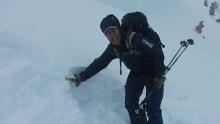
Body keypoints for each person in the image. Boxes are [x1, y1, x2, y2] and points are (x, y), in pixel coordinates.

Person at [66, 13, 166, 124]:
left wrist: (159, 74)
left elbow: (156, 51)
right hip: (136, 74)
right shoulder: (113, 48)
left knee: (153, 107)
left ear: (118, 28)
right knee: (130, 103)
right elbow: (100, 62)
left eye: (112, 29)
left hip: (153, 73)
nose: (111, 34)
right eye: (107, 33)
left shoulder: (134, 38)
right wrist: (81, 76)